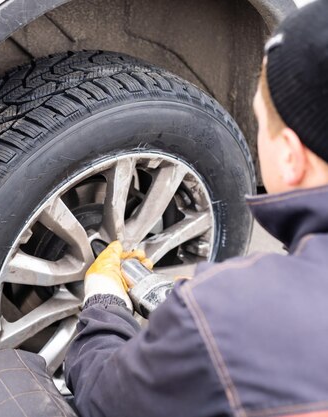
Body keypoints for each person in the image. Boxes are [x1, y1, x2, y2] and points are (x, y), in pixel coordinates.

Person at [64, 1, 328, 416]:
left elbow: (104, 400)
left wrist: (104, 304)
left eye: (260, 122)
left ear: (292, 157)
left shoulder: (233, 311)